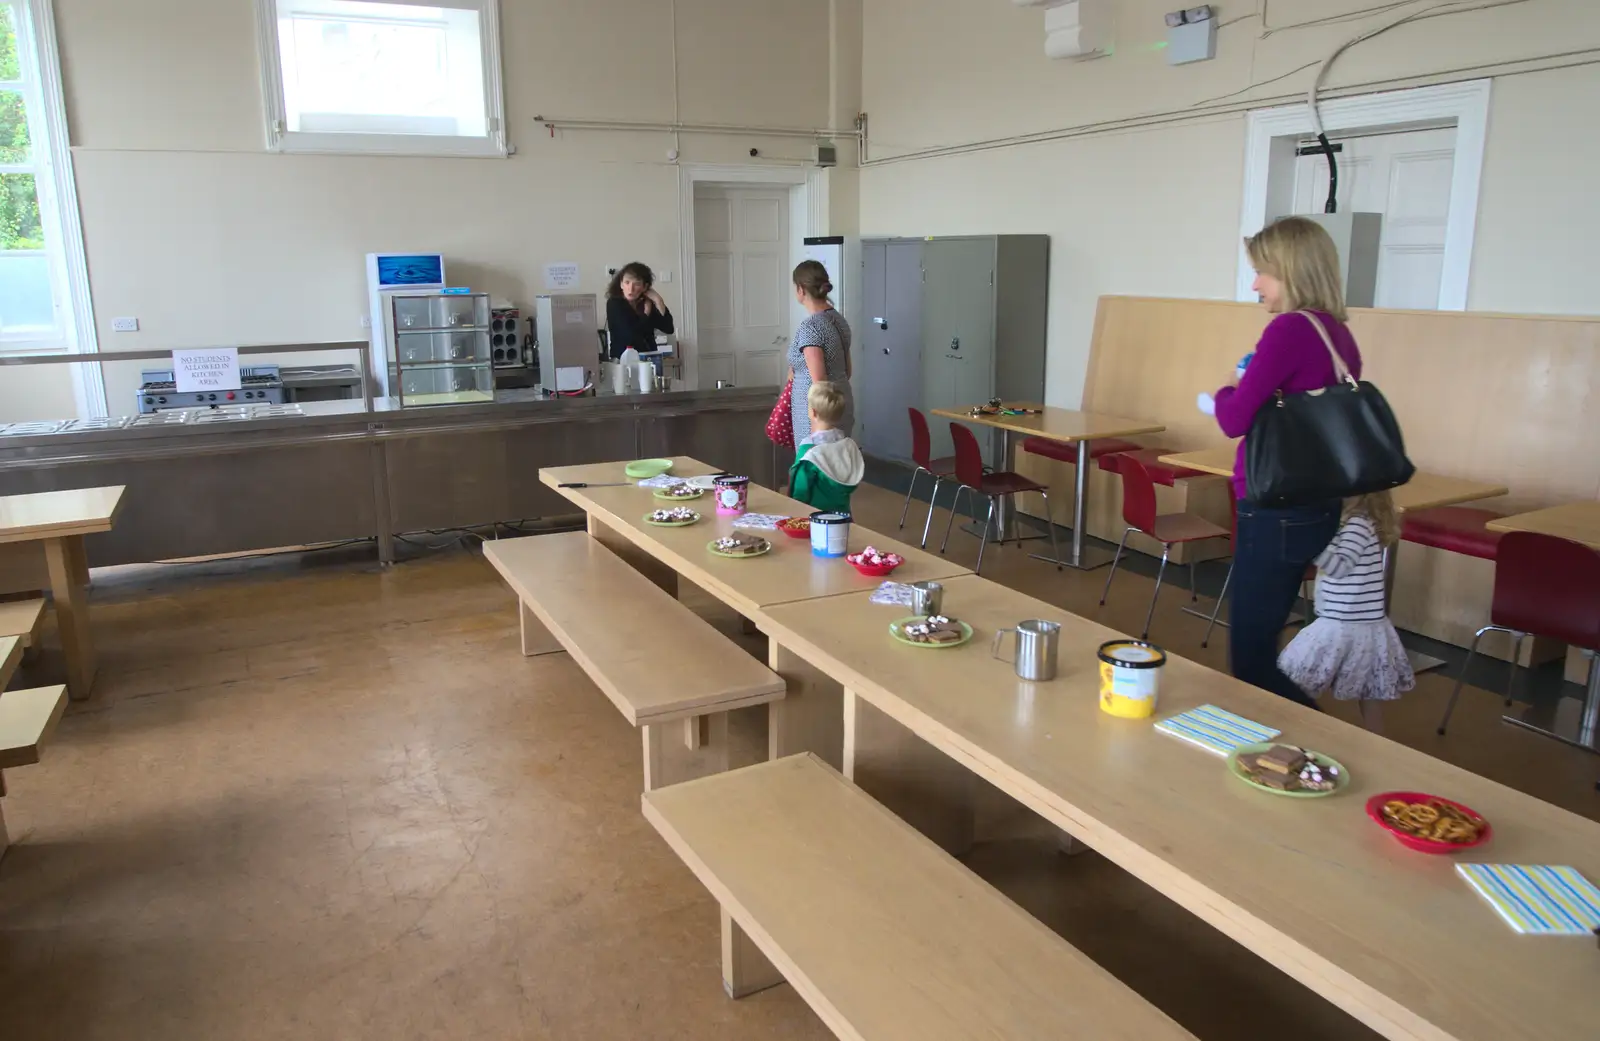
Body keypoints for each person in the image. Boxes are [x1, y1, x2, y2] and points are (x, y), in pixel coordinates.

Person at [1212, 216, 1363, 708]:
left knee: (1252, 657)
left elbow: (1235, 419)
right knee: (1265, 640)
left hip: (1274, 506)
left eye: (1263, 272)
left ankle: (1312, 753)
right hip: (1319, 503)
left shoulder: (1288, 329)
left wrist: (1224, 390)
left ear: (1292, 271)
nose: (1255, 283)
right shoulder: (1336, 332)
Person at [1278, 491, 1415, 733]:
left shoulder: (1357, 525)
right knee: (1368, 694)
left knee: (1298, 677)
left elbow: (1340, 567)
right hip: (1360, 623)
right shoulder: (1356, 523)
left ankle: (1296, 729)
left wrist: (1310, 546)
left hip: (1344, 624)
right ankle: (1377, 743)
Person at [787, 260, 854, 444]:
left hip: (819, 417)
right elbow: (847, 371)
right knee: (838, 465)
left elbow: (820, 383)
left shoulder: (811, 327)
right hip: (840, 405)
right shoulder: (839, 320)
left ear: (801, 289)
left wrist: (818, 425)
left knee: (814, 466)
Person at [789, 382, 864, 514]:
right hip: (843, 516)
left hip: (814, 518)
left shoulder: (808, 452)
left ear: (812, 412)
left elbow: (800, 490)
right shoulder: (847, 446)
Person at [605, 262, 673, 359]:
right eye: (627, 282)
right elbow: (631, 335)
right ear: (621, 284)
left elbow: (669, 328)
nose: (630, 289)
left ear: (645, 287)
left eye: (636, 284)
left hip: (649, 359)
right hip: (624, 360)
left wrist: (659, 301)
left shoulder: (646, 303)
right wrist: (646, 314)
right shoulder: (614, 303)